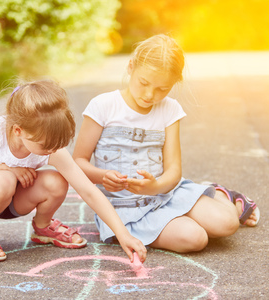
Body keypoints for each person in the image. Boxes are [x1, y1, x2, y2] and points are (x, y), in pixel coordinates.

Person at [72, 34, 260, 253]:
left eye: (163, 88)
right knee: (195, 239)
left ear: (174, 83)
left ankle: (222, 195)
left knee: (227, 224)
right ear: (130, 67)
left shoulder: (169, 110)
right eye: (143, 83)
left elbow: (173, 170)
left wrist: (156, 187)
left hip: (165, 193)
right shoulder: (103, 106)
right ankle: (199, 203)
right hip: (123, 209)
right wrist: (102, 176)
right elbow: (78, 161)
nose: (150, 94)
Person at [0, 79, 147, 263]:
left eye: (55, 145)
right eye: (45, 146)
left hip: (12, 200)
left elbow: (88, 190)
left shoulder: (49, 143)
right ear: (18, 130)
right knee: (4, 179)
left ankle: (43, 228)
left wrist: (123, 234)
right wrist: (9, 169)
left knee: (57, 181)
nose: (51, 150)